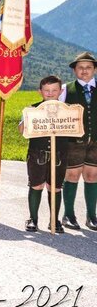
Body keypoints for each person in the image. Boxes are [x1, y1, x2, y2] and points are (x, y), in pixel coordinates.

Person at [21, 75, 67, 232]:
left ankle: (54, 220)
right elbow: (22, 131)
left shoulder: (68, 110)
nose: (50, 93)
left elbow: (77, 131)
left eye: (54, 90)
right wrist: (26, 120)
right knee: (36, 185)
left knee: (55, 187)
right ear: (40, 91)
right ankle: (33, 219)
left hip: (59, 154)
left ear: (60, 91)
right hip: (36, 153)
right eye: (46, 90)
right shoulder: (33, 109)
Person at [59, 52, 97, 230]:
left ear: (94, 70)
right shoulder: (66, 89)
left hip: (96, 141)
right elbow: (56, 112)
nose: (84, 71)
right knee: (72, 175)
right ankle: (68, 215)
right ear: (75, 70)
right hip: (73, 141)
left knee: (92, 175)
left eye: (88, 67)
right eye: (80, 67)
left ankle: (92, 216)